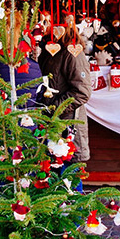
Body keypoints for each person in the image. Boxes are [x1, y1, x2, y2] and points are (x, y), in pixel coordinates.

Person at [38, 16, 92, 163]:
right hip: (50, 123)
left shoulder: (72, 53)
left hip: (68, 124)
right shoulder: (47, 51)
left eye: (47, 22)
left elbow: (82, 92)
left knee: (70, 174)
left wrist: (54, 107)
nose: (44, 26)